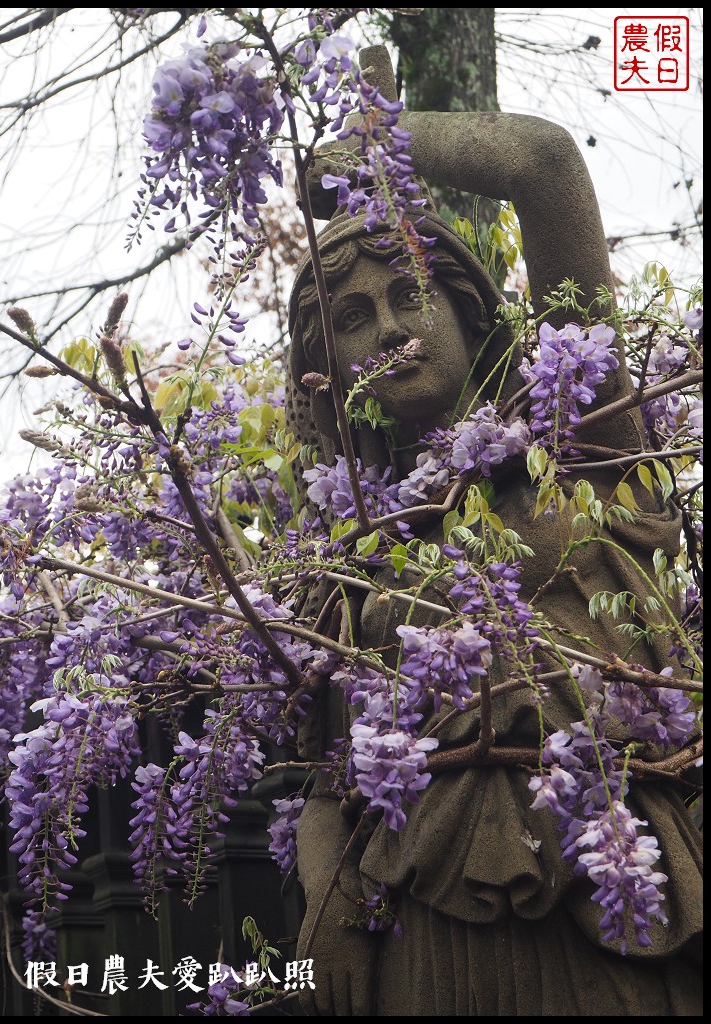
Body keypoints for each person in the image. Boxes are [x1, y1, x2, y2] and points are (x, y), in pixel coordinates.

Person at [284, 46, 702, 1016]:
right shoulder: (352, 547)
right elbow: (320, 771)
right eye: (353, 315)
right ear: (329, 368)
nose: (389, 326)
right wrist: (323, 893)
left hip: (605, 903)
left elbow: (545, 165)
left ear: (470, 312)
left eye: (409, 293)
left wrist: (374, 146)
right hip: (426, 937)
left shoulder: (581, 444)